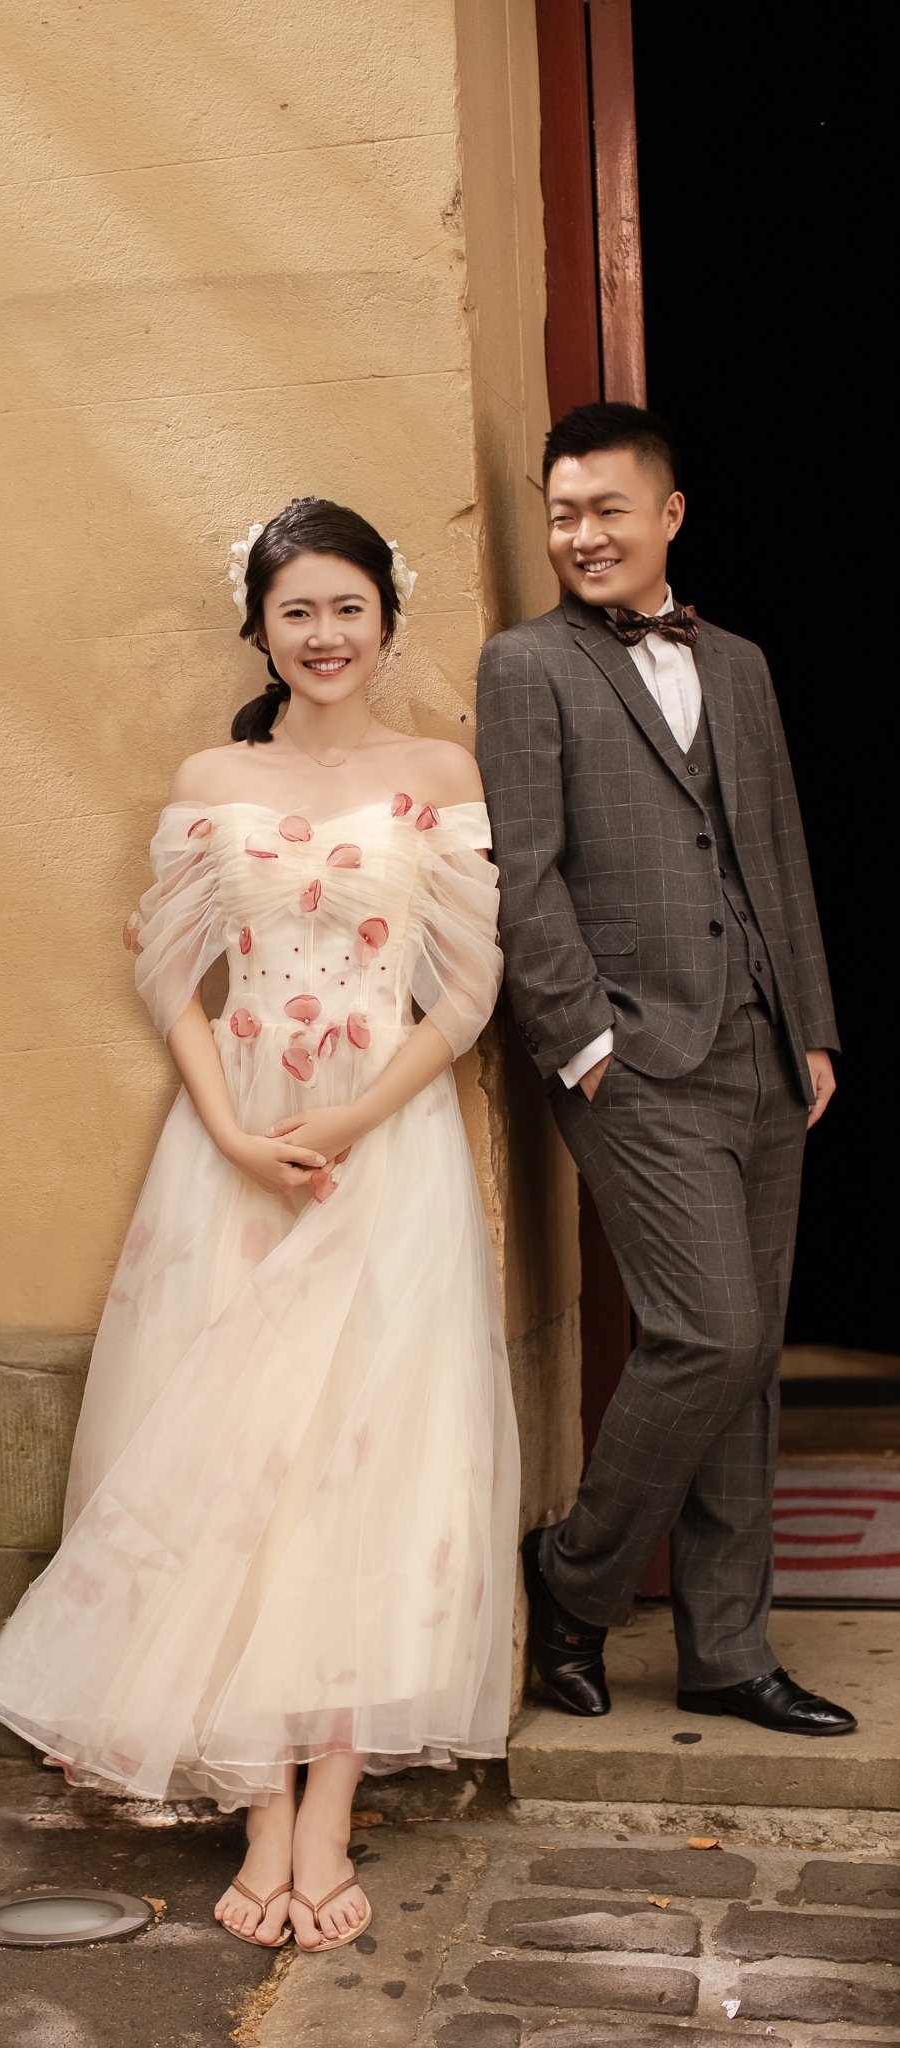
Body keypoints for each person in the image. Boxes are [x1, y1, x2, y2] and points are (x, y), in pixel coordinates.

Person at [0, 497, 519, 1952]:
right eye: (297, 612)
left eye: (347, 608)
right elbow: (171, 977)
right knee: (240, 1473)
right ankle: (261, 1809)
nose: (325, 635)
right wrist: (228, 1132)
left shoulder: (438, 772)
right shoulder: (214, 777)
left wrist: (347, 1123)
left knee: (364, 1469)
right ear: (259, 630)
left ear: (386, 618)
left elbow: (467, 992)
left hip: (379, 1151)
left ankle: (326, 1812)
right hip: (233, 1150)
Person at [474, 402, 854, 1737]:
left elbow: (776, 851)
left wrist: (810, 1025)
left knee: (749, 1366)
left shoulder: (738, 665)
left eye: (607, 510)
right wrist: (583, 1042)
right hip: (631, 1053)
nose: (581, 535)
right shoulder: (526, 667)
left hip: (761, 1047)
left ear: (668, 515)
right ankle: (575, 1580)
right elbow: (523, 872)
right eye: (561, 514)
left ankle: (726, 1651)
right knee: (711, 1334)